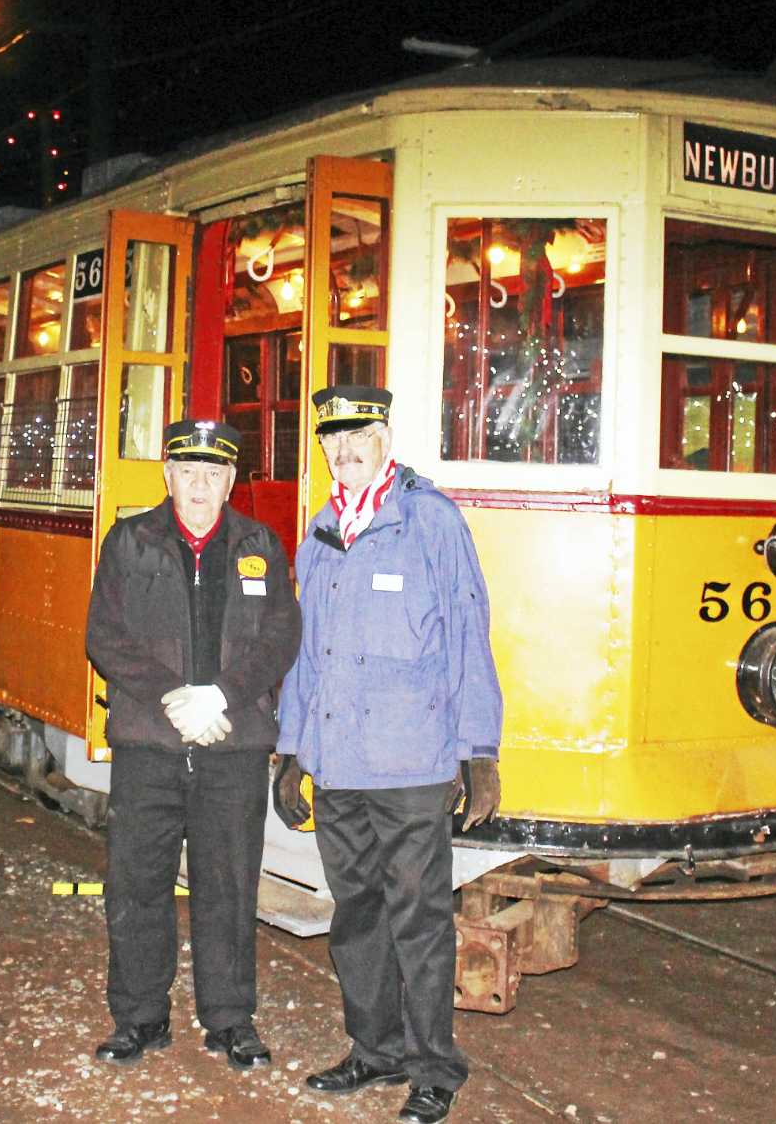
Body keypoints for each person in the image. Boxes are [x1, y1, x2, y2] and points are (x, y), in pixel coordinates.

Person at [273, 385, 504, 1124]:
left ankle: (435, 1066)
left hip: (411, 767)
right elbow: (308, 658)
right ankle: (375, 1049)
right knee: (358, 916)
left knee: (420, 920)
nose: (344, 450)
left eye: (357, 435)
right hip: (340, 763)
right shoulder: (322, 534)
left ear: (384, 434)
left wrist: (479, 751)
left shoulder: (429, 521)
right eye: (331, 439)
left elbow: (469, 634)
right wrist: (292, 751)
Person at [84, 418, 303, 1070]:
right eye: (189, 472)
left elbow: (280, 636)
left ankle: (231, 1019)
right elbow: (105, 635)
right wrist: (176, 698)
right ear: (168, 474)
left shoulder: (259, 542)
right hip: (150, 744)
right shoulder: (130, 542)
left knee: (229, 886)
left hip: (231, 747)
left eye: (214, 474)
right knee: (137, 884)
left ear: (231, 480)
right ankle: (140, 1016)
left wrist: (224, 695)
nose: (201, 485)